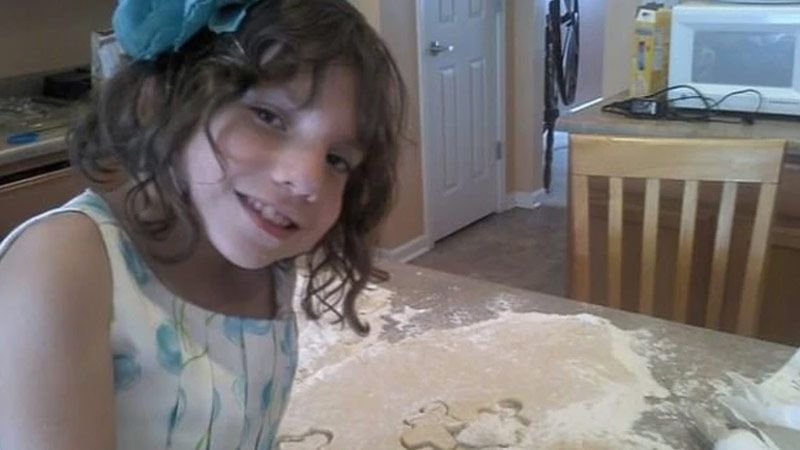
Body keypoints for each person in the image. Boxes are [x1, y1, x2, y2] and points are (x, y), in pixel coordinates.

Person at [0, 0, 406, 448]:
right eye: (268, 116)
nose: (308, 178)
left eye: (337, 160)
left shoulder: (267, 263)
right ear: (164, 99)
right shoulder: (64, 267)